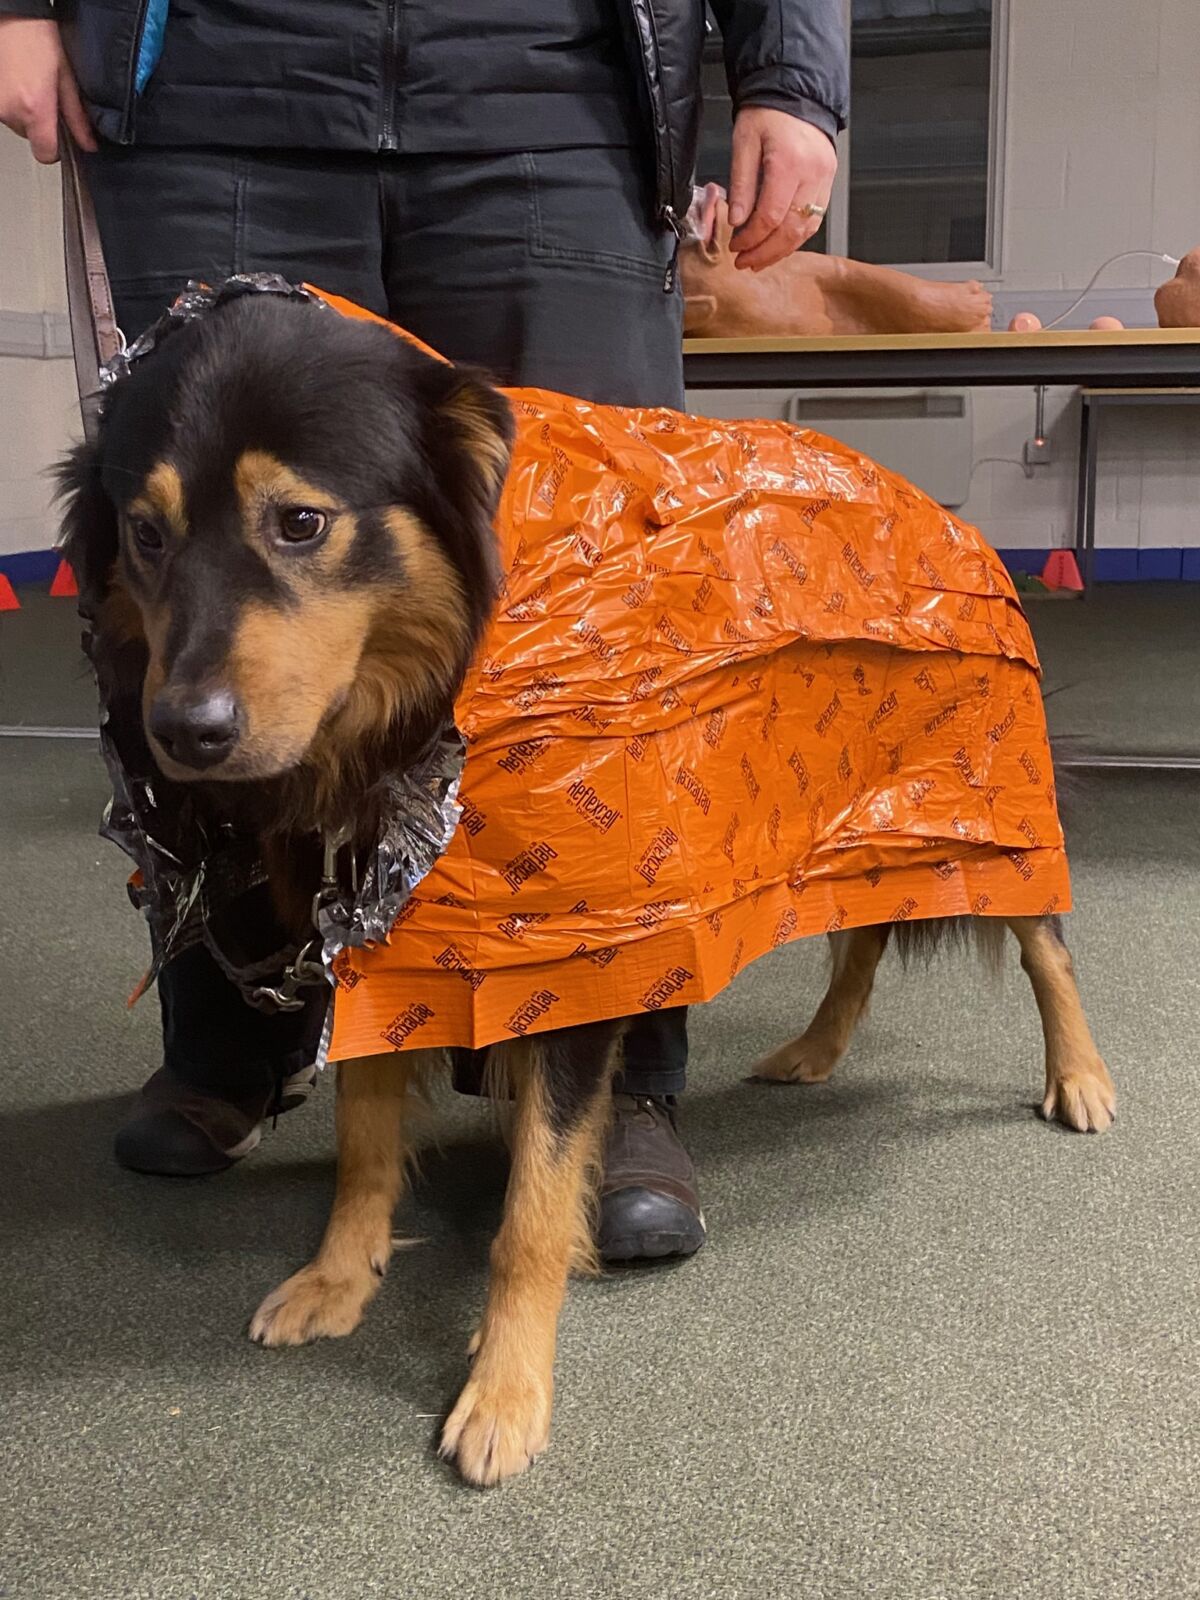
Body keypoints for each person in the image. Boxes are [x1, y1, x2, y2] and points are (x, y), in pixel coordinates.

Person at [0, 0, 847, 1262]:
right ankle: (237, 1030)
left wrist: (792, 70)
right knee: (188, 576)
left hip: (552, 89)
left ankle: (622, 1076)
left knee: (604, 609)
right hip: (215, 85)